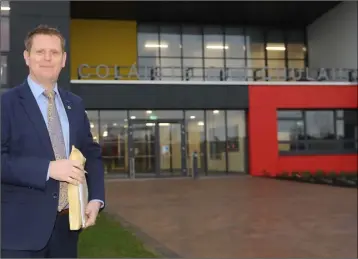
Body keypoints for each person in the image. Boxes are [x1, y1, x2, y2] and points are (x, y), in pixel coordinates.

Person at [1, 24, 105, 258]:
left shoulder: (75, 104)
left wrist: (96, 198)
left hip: (66, 232)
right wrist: (48, 169)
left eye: (54, 52)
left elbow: (92, 154)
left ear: (64, 59)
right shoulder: (6, 104)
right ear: (27, 57)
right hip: (19, 235)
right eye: (40, 52)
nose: (47, 58)